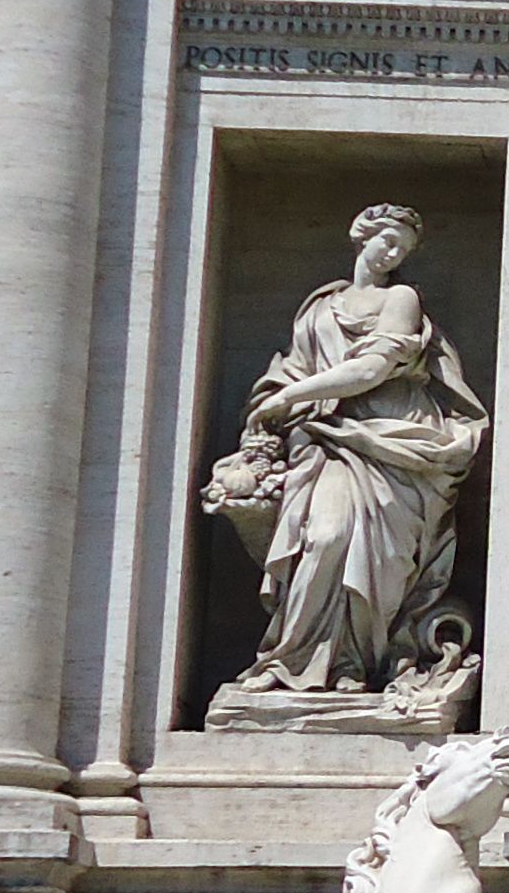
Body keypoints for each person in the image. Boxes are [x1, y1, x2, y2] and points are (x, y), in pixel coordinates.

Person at [206, 205, 490, 704]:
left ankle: (353, 666)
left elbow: (369, 371)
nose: (394, 253)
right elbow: (294, 368)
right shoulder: (320, 306)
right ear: (361, 237)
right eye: (387, 240)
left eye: (404, 247)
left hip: (391, 444)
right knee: (323, 537)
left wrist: (289, 398)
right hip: (322, 439)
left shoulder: (402, 299)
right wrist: (279, 399)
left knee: (371, 553)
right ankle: (293, 660)